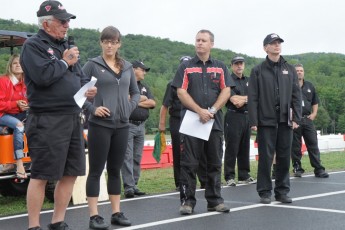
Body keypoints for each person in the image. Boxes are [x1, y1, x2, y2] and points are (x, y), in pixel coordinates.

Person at [20, 1, 96, 230]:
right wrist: (65, 61)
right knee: (42, 174)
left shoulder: (67, 46)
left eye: (68, 21)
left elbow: (81, 77)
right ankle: (34, 226)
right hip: (47, 119)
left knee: (71, 172)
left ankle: (57, 221)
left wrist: (89, 89)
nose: (67, 25)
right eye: (62, 21)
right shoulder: (33, 46)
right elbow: (43, 77)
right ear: (46, 23)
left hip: (72, 116)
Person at [82, 26, 140, 229]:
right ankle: (94, 216)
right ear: (101, 43)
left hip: (122, 125)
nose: (109, 45)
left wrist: (129, 107)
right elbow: (77, 93)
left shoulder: (127, 67)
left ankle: (116, 212)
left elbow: (136, 92)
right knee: (97, 170)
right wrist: (93, 108)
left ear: (119, 44)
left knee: (115, 170)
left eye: (113, 41)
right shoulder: (91, 65)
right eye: (106, 41)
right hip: (100, 125)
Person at [172, 29, 234, 215]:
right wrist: (199, 111)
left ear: (211, 44)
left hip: (214, 122)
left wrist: (212, 110)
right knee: (189, 164)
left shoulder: (221, 66)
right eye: (197, 40)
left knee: (214, 163)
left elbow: (226, 91)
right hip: (192, 121)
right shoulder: (186, 67)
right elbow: (181, 91)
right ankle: (187, 202)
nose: (199, 43)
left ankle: (215, 201)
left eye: (203, 40)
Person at [248, 33, 302, 205]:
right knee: (265, 157)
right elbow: (253, 97)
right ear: (265, 48)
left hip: (285, 119)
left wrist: (296, 118)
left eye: (278, 43)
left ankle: (282, 191)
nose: (277, 45)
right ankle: (264, 192)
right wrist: (254, 121)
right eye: (273, 43)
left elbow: (296, 95)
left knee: (285, 156)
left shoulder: (290, 69)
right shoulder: (257, 70)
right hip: (265, 120)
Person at [159, 55, 208, 191]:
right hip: (177, 119)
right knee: (179, 151)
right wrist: (162, 124)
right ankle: (180, 182)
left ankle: (204, 180)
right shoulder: (173, 83)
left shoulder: (197, 82)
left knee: (201, 150)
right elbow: (164, 106)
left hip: (194, 117)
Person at [121, 60, 156, 198]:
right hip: (127, 124)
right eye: (143, 69)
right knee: (127, 156)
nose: (145, 72)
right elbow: (124, 99)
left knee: (137, 156)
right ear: (134, 69)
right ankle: (128, 187)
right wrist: (141, 99)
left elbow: (152, 103)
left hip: (141, 126)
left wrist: (135, 101)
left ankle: (134, 184)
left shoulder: (145, 87)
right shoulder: (125, 83)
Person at [291, 64, 329, 178]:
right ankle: (297, 168)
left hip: (308, 119)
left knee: (313, 144)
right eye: (297, 70)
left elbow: (315, 102)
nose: (299, 72)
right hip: (295, 120)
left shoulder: (309, 86)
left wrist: (314, 113)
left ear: (304, 72)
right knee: (295, 146)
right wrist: (291, 119)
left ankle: (318, 169)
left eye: (301, 70)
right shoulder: (289, 86)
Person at [223, 56, 256, 186]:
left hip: (247, 116)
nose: (239, 66)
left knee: (244, 147)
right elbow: (235, 101)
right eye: (236, 64)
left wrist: (244, 98)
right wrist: (247, 98)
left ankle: (244, 175)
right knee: (232, 147)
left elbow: (255, 98)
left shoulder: (249, 80)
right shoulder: (228, 80)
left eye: (241, 63)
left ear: (244, 65)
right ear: (232, 66)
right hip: (233, 116)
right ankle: (229, 176)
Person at [0, 54, 29, 178]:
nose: (18, 65)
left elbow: (28, 100)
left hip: (19, 113)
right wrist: (16, 104)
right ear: (10, 66)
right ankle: (19, 163)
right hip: (3, 115)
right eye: (15, 63)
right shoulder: (3, 81)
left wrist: (25, 105)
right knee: (18, 125)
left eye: (20, 63)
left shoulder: (26, 82)